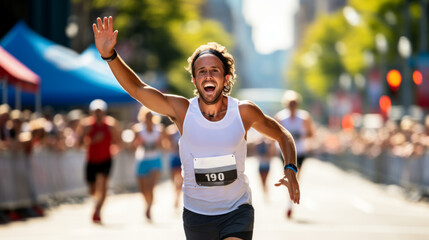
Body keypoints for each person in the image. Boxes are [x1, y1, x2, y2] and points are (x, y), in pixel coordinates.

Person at [93, 16, 299, 239]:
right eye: (201, 71)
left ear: (225, 77)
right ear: (194, 79)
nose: (208, 75)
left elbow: (282, 134)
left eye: (214, 71)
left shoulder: (244, 112)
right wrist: (109, 56)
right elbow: (137, 89)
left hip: (237, 211)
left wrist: (291, 168)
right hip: (197, 215)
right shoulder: (182, 111)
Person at [274, 90, 314, 219]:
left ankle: (290, 202)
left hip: (300, 152)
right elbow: (274, 135)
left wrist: (300, 135)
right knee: (290, 177)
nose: (292, 106)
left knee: (296, 178)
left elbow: (311, 133)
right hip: (285, 153)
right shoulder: (280, 117)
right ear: (286, 104)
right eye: (290, 103)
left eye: (294, 103)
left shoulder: (304, 117)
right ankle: (289, 204)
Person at [80, 99, 121, 224]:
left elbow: (118, 141)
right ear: (92, 112)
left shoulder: (111, 125)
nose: (98, 114)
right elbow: (79, 143)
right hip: (91, 160)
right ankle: (97, 202)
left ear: (104, 112)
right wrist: (92, 141)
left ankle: (97, 210)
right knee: (92, 189)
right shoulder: (87, 125)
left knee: (103, 185)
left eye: (100, 111)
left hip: (106, 159)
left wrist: (114, 150)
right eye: (96, 111)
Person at [132, 106, 164, 221]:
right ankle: (148, 202)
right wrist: (138, 142)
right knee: (143, 188)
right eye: (147, 116)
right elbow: (132, 146)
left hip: (155, 160)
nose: (149, 118)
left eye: (150, 116)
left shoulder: (159, 129)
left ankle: (149, 208)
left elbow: (163, 146)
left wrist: (158, 144)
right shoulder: (138, 129)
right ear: (143, 117)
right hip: (141, 160)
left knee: (150, 187)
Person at [165, 123, 183, 209]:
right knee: (174, 180)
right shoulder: (170, 131)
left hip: (182, 158)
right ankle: (176, 195)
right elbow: (167, 145)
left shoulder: (184, 129)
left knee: (181, 179)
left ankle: (178, 197)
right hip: (174, 157)